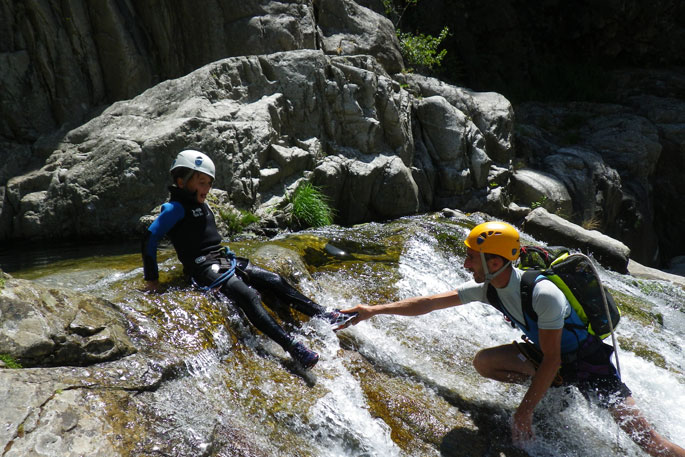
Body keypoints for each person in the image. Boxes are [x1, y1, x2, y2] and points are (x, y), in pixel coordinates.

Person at [341, 221, 685, 456]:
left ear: (495, 261)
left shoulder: (544, 294)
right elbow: (430, 303)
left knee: (649, 442)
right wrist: (373, 310)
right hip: (551, 359)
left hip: (590, 366)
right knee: (485, 362)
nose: (465, 264)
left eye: (472, 258)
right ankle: (555, 389)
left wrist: (524, 413)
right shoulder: (490, 288)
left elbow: (553, 359)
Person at [141, 149, 352, 369]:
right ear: (181, 181)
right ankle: (293, 348)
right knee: (249, 296)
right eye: (201, 182)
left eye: (208, 184)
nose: (206, 189)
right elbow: (149, 238)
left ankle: (324, 315)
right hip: (202, 267)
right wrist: (152, 280)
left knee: (274, 279)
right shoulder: (174, 208)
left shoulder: (201, 204)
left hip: (221, 259)